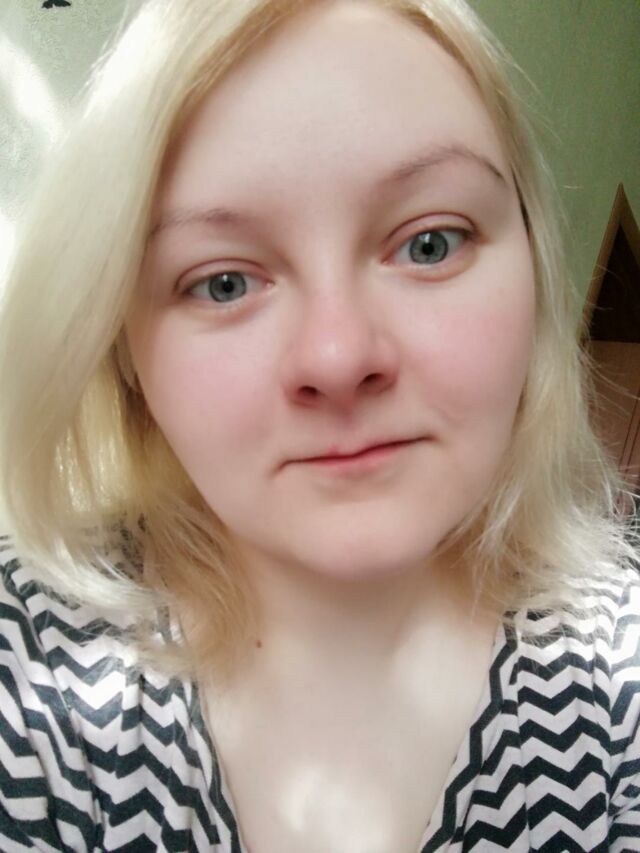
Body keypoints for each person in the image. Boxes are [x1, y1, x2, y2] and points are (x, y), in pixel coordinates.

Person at [0, 0, 638, 850]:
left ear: (534, 264)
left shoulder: (620, 680)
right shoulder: (28, 665)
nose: (338, 357)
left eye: (430, 243)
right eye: (223, 283)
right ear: (122, 351)